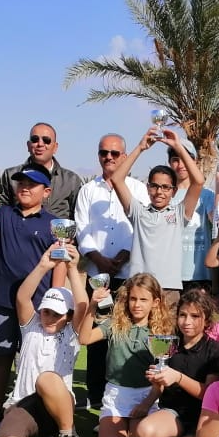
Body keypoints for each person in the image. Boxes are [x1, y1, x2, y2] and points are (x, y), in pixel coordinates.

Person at [0, 166, 63, 429]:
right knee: (2, 355)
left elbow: (59, 262)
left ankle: (35, 411)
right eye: (21, 183)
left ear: (46, 192)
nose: (24, 187)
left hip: (38, 304)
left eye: (32, 184)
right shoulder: (5, 214)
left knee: (34, 358)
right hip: (2, 298)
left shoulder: (53, 224)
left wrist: (55, 299)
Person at [0, 245, 87, 437]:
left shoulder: (72, 332)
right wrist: (43, 266)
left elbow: (82, 306)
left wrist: (72, 269)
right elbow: (22, 297)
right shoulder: (32, 326)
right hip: (24, 402)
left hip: (60, 403)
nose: (50, 318)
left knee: (47, 379)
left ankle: (68, 434)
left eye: (57, 314)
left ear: (68, 316)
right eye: (47, 312)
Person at [79, 272, 174, 437]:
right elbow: (84, 338)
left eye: (143, 300)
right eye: (133, 299)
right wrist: (92, 305)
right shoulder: (115, 324)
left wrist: (146, 404)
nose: (137, 304)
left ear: (155, 302)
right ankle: (117, 427)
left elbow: (161, 377)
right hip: (116, 396)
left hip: (147, 396)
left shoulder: (161, 332)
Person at [74, 133, 139, 408]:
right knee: (96, 336)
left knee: (124, 335)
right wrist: (99, 260)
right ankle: (96, 394)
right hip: (97, 275)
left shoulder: (138, 188)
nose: (109, 157)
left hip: (128, 275)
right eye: (104, 153)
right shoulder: (88, 190)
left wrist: (122, 257)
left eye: (114, 153)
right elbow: (81, 228)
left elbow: (140, 227)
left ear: (124, 156)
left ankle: (124, 390)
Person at [131, 289, 219, 437]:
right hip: (173, 413)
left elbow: (208, 394)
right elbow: (161, 386)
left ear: (206, 320)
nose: (187, 321)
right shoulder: (170, 343)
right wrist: (148, 400)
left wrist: (178, 377)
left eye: (195, 316)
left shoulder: (214, 350)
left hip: (200, 418)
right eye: (182, 315)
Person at [108, 127, 205, 308]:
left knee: (166, 328)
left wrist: (178, 146)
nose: (159, 192)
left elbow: (198, 181)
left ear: (173, 191)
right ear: (148, 188)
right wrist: (140, 147)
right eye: (154, 186)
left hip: (168, 290)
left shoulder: (179, 213)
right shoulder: (138, 212)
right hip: (138, 289)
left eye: (165, 187)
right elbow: (117, 179)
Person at [0, 123, 83, 219]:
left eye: (46, 140)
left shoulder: (71, 180)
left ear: (55, 147)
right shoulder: (10, 176)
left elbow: (78, 217)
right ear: (28, 145)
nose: (40, 144)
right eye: (35, 139)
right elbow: (2, 214)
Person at [169, 143, 214, 293]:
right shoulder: (165, 195)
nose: (181, 165)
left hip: (199, 275)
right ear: (169, 163)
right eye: (176, 160)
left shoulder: (207, 195)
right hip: (170, 276)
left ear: (194, 161)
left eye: (185, 159)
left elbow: (217, 222)